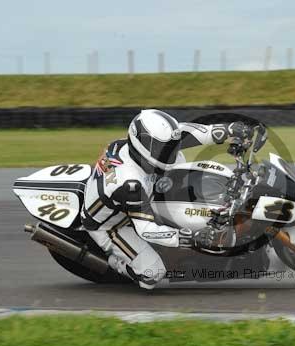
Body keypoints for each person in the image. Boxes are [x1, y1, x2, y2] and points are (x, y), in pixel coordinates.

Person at [81, 109, 256, 289]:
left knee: (182, 167)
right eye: (162, 148)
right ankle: (116, 264)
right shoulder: (131, 183)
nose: (170, 152)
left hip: (140, 194)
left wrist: (230, 129)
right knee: (152, 273)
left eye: (170, 146)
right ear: (143, 144)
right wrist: (190, 238)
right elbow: (146, 229)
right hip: (112, 224)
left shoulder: (140, 148)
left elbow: (189, 133)